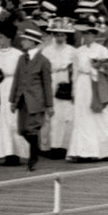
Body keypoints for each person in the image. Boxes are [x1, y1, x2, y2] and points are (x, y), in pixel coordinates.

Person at [67, 23, 108, 162]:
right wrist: (73, 90)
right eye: (84, 34)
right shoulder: (78, 51)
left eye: (89, 34)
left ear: (94, 35)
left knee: (99, 115)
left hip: (96, 83)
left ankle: (103, 150)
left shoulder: (102, 50)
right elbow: (75, 71)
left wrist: (98, 66)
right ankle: (82, 150)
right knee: (82, 116)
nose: (86, 37)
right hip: (82, 83)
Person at [10, 28, 55, 171]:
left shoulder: (43, 61)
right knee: (22, 130)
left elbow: (47, 84)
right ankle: (35, 149)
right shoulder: (21, 58)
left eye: (25, 40)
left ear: (32, 42)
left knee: (32, 129)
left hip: (36, 100)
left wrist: (49, 105)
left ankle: (33, 157)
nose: (22, 42)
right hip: (22, 99)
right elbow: (16, 79)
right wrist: (13, 99)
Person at [0, 20, 29, 165]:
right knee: (0, 119)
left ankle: (16, 152)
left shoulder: (18, 54)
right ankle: (5, 152)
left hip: (13, 86)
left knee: (13, 119)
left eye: (1, 37)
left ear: (8, 38)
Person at [41, 18, 77, 159]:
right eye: (57, 34)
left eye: (62, 34)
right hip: (50, 80)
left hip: (65, 82)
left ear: (67, 36)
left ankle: (63, 145)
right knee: (49, 114)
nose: (59, 37)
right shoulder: (46, 51)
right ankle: (47, 146)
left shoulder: (73, 51)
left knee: (66, 115)